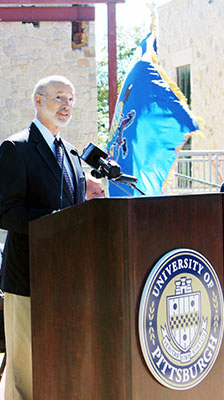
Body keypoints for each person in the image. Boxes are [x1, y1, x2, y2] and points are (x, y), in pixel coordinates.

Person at [0, 75, 104, 399]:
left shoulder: (72, 154)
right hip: (28, 279)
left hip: (66, 282)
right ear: (39, 101)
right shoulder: (16, 148)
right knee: (25, 375)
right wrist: (53, 224)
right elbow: (6, 211)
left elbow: (75, 211)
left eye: (71, 99)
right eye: (59, 97)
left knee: (60, 365)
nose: (66, 105)